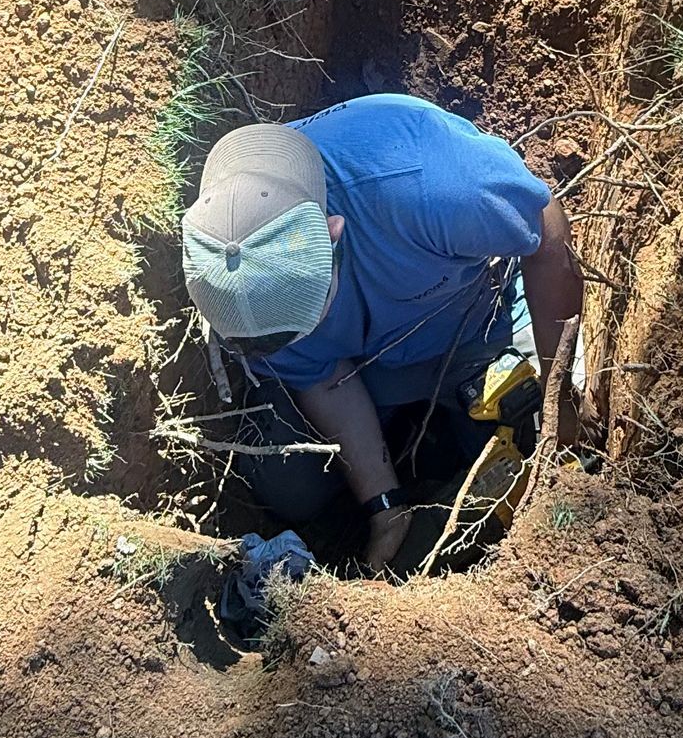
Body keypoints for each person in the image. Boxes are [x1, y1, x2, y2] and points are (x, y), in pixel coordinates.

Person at [180, 93, 583, 569]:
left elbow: (546, 230)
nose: (306, 337)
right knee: (287, 484)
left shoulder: (434, 185)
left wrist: (561, 400)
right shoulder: (235, 284)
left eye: (314, 315)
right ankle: (412, 449)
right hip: (370, 373)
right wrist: (385, 507)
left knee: (530, 453)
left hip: (471, 326)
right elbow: (324, 377)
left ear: (334, 232)